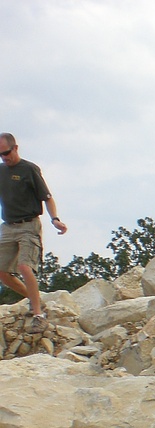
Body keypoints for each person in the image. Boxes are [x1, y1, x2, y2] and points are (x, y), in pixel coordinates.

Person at [0, 132, 67, 333]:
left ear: (16, 148)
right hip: (8, 226)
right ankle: (34, 297)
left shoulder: (29, 169)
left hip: (29, 225)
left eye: (6, 152)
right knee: (2, 271)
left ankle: (38, 315)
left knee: (24, 266)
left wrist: (55, 219)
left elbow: (47, 197)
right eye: (1, 155)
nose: (5, 157)